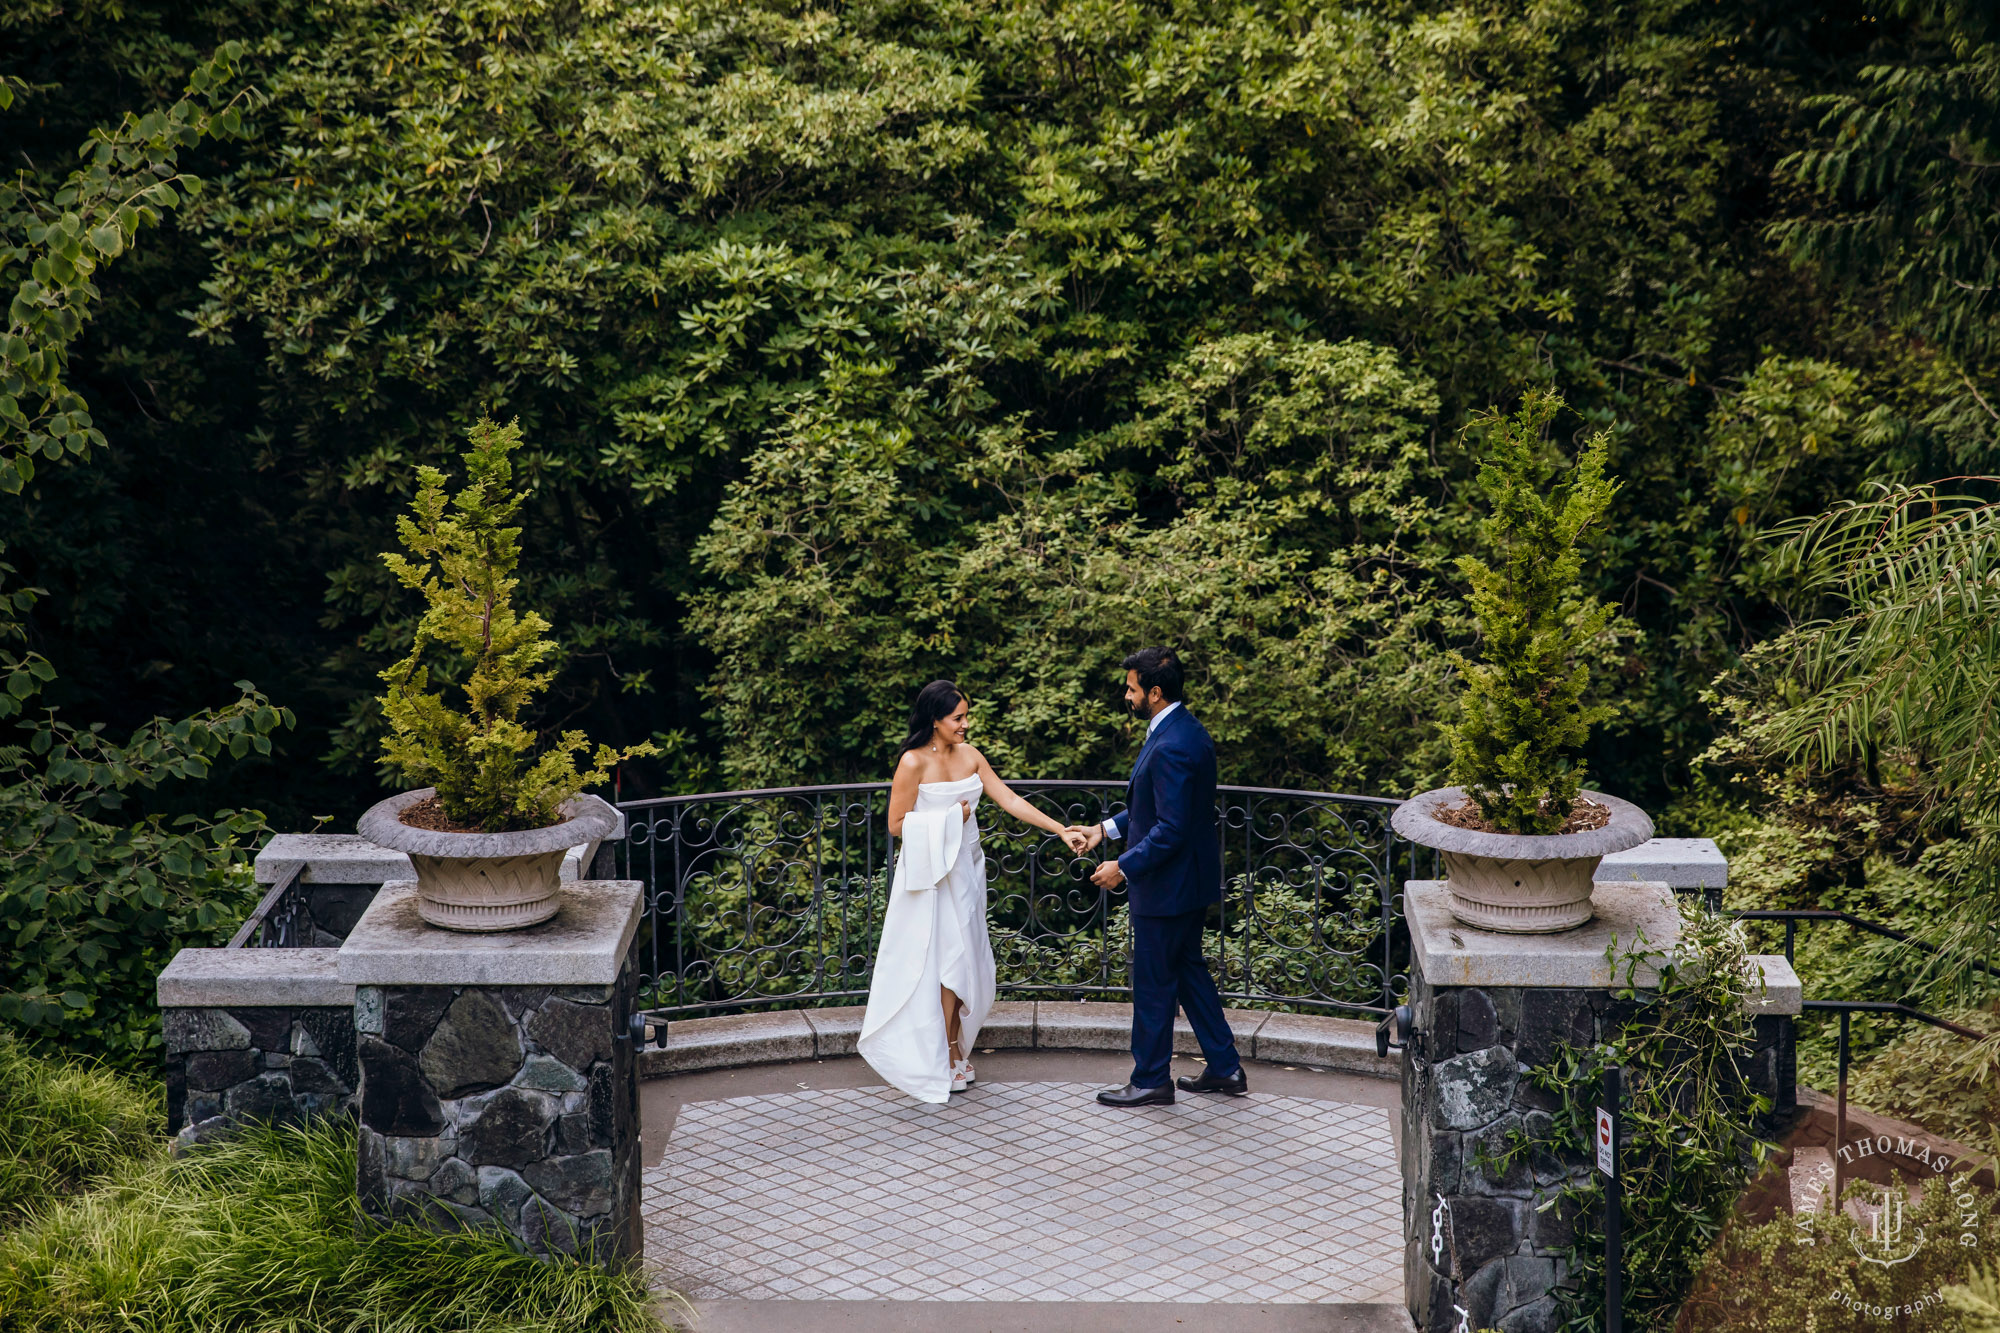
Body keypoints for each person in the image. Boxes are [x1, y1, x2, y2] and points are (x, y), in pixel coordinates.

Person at [858, 680, 1090, 1104]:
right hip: (928, 877)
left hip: (965, 871)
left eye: (966, 716)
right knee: (942, 962)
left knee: (964, 959)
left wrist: (1060, 829)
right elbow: (895, 825)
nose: (966, 724)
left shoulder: (972, 756)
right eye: (958, 718)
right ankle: (945, 1052)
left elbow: (1010, 800)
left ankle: (951, 1046)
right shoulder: (911, 763)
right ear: (935, 720)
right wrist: (954, 814)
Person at [1073, 648, 1245, 1107]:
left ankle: (1151, 1079)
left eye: (1131, 688)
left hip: (1168, 888)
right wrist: (1103, 831)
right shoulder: (1180, 730)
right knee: (1188, 971)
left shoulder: (1171, 744)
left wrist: (1122, 866)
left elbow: (1170, 828)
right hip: (1186, 883)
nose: (1125, 695)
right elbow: (1156, 808)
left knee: (1153, 981)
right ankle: (1226, 1068)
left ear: (1154, 691)